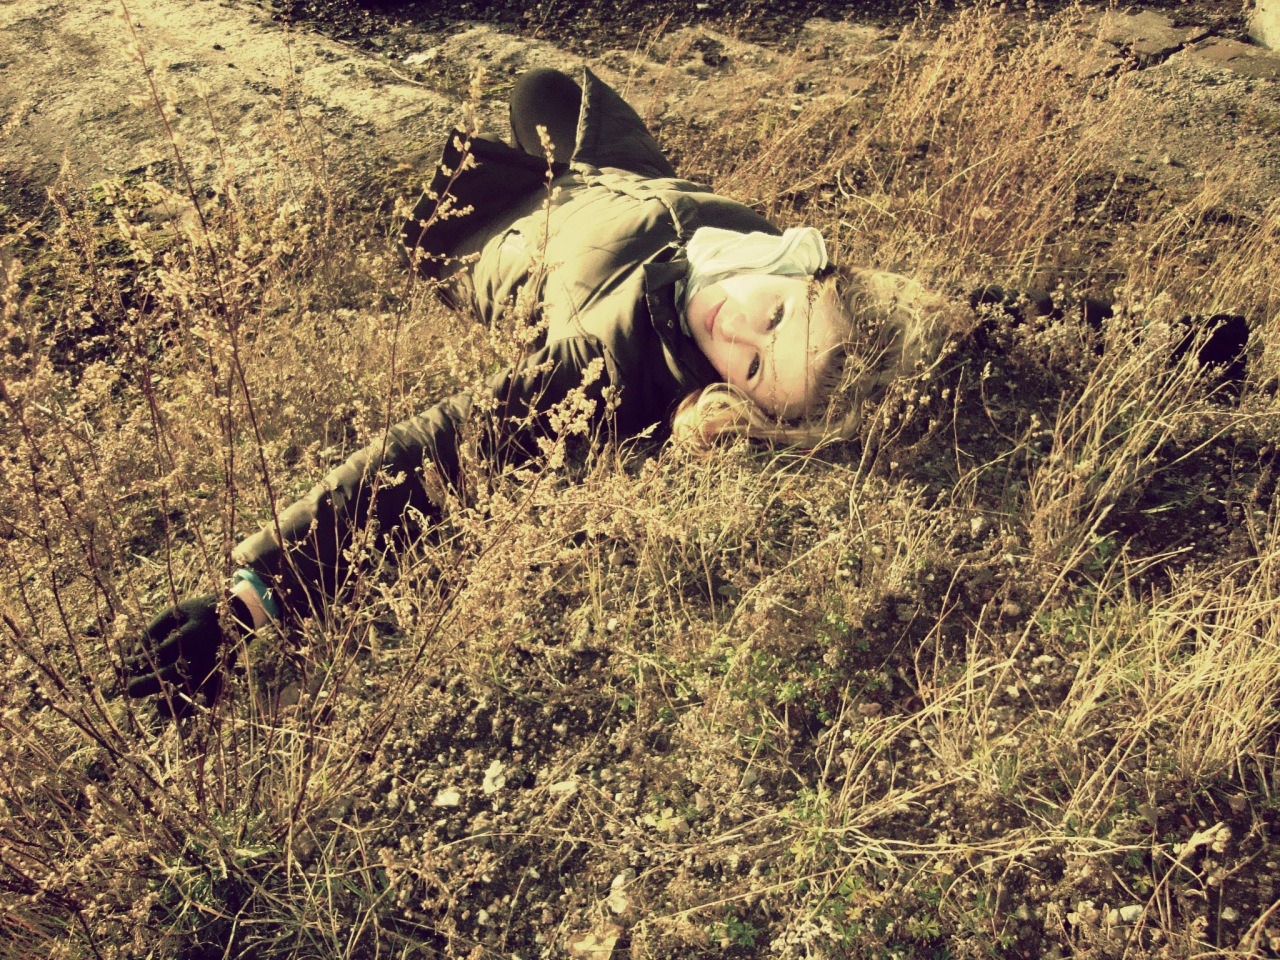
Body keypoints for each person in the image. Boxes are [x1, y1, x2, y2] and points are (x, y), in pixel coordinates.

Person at [122, 68, 1247, 709]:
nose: (738, 332)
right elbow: (981, 312)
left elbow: (447, 446)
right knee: (552, 85)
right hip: (644, 185)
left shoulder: (615, 364)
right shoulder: (813, 275)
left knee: (450, 196)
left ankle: (479, 211)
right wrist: (1162, 339)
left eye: (750, 371)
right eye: (771, 319)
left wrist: (251, 599)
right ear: (806, 268)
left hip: (520, 231)